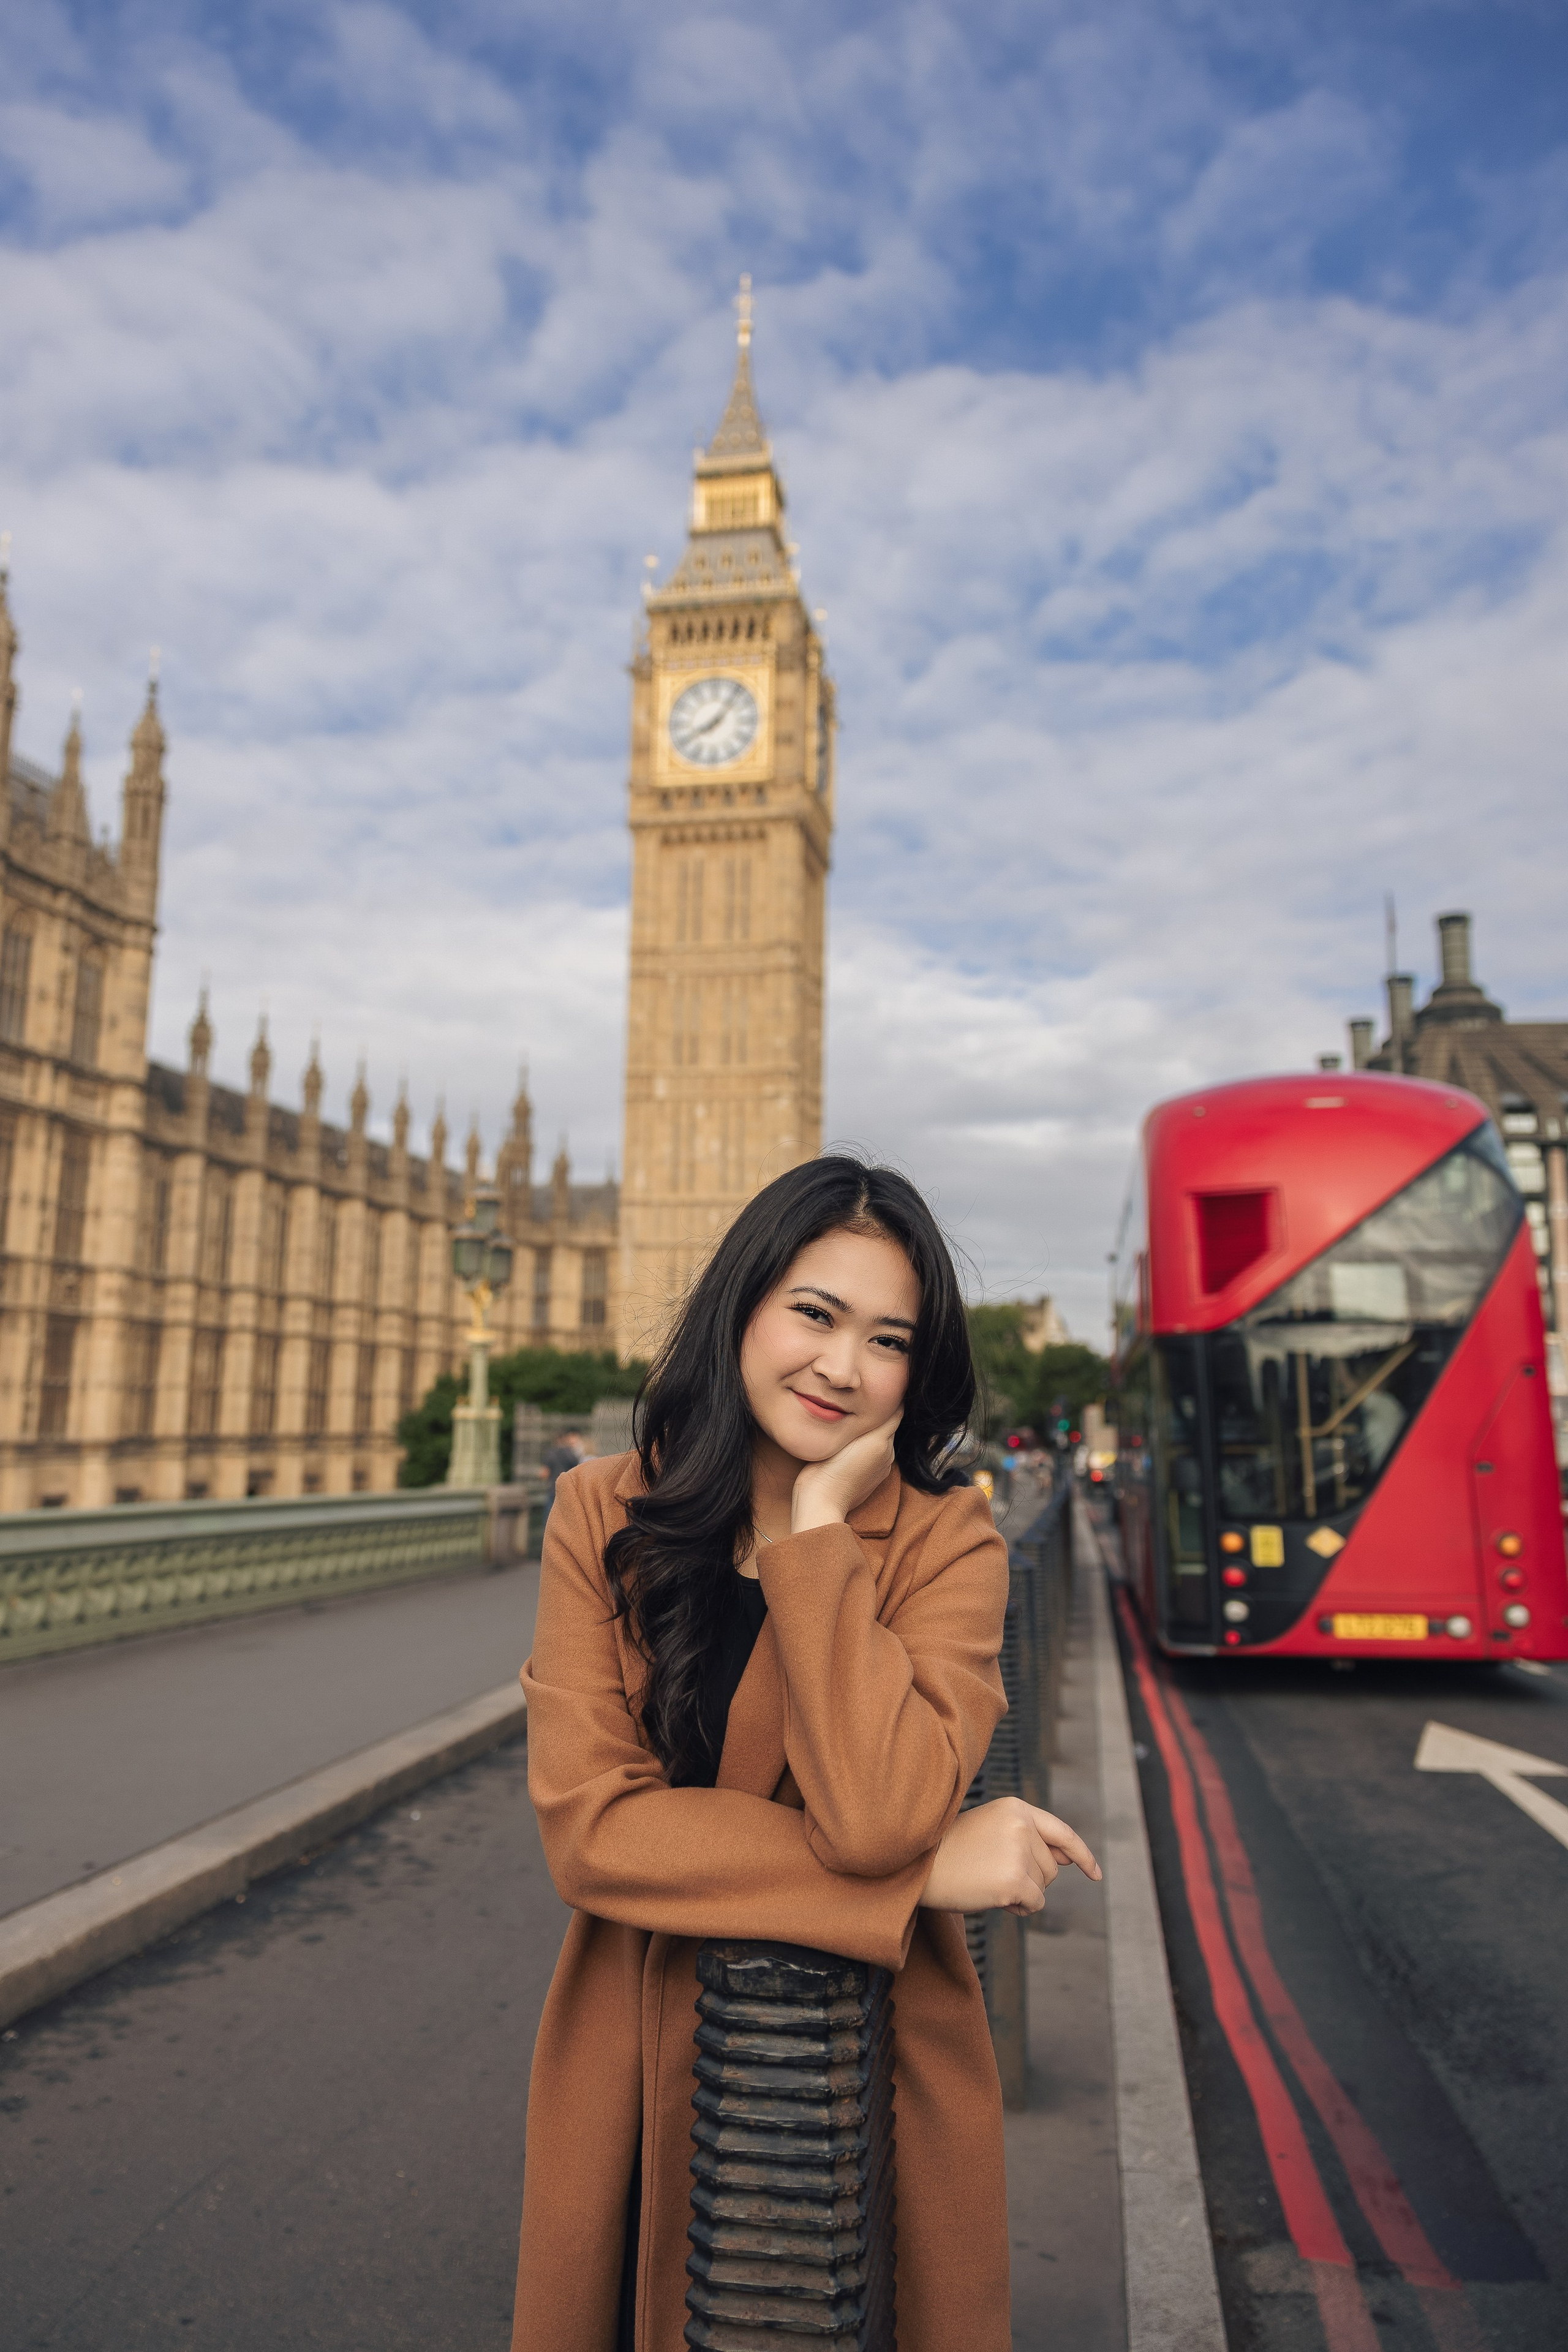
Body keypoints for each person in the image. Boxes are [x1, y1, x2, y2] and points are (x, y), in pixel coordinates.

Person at [511, 1157, 1100, 2352]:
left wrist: (820, 1533)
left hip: (861, 2079)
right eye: (813, 1314)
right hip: (623, 2056)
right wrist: (916, 1878)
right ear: (742, 1307)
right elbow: (590, 1834)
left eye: (885, 1340)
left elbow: (878, 1810)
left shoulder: (948, 1545)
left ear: (914, 1373)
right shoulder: (598, 1511)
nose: (840, 1366)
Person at [541, 1428, 584, 1515]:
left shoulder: (551, 1453)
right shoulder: (571, 1454)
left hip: (553, 1489)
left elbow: (544, 1474)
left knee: (550, 1517)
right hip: (567, 1490)